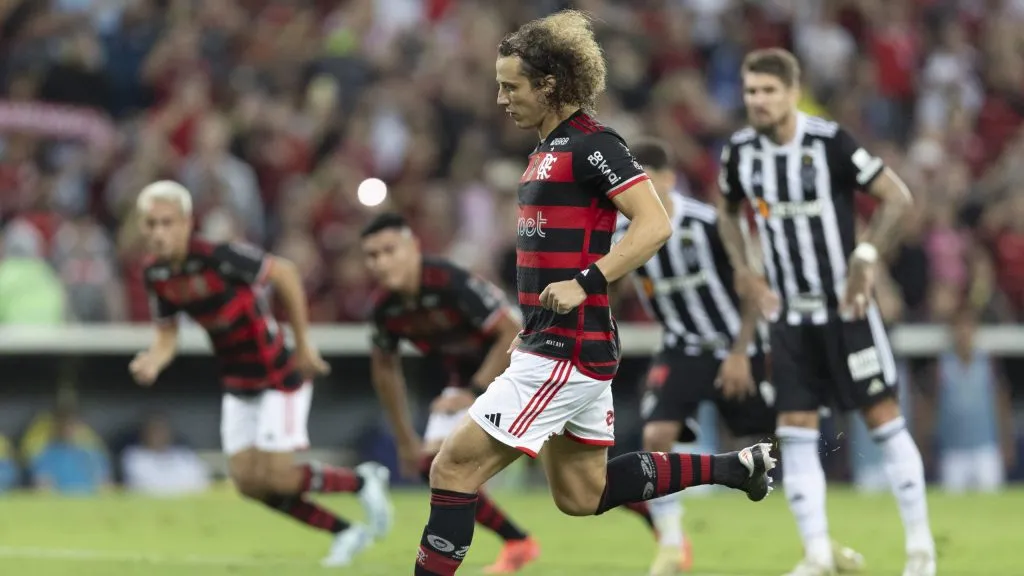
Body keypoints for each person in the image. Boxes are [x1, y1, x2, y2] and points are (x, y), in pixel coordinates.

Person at [414, 12, 776, 576]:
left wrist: (587, 282)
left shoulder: (592, 143)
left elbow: (654, 222)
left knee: (451, 470)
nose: (501, 98)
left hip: (563, 349)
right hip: (562, 346)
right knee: (582, 494)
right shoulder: (545, 147)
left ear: (549, 86)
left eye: (512, 86)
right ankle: (736, 468)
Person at [715, 49, 935, 576]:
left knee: (883, 419)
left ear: (792, 93)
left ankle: (921, 553)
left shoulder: (828, 142)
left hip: (846, 310)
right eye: (751, 91)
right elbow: (726, 211)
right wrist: (745, 269)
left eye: (769, 91)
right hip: (789, 316)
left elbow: (897, 197)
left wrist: (866, 256)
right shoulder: (740, 153)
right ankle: (817, 554)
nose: (758, 101)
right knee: (794, 430)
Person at [615, 138, 864, 576]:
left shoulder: (705, 223)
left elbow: (750, 285)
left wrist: (738, 352)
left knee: (785, 442)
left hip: (737, 347)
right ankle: (672, 545)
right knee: (656, 436)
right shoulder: (622, 235)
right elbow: (610, 286)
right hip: (682, 348)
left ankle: (822, 544)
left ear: (670, 180)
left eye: (649, 182)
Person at [128, 180, 392, 567]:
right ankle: (345, 531)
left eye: (166, 223)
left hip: (277, 373)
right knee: (249, 484)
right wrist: (154, 358)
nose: (158, 233)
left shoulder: (217, 256)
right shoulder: (155, 274)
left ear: (186, 222)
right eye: (150, 225)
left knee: (278, 477)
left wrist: (303, 344)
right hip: (237, 381)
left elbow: (284, 274)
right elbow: (167, 333)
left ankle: (361, 481)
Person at [361, 212, 540, 573]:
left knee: (582, 485)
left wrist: (474, 391)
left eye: (389, 250)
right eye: (372, 255)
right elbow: (385, 370)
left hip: (525, 369)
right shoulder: (386, 309)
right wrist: (404, 438)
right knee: (434, 464)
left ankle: (665, 529)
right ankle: (518, 541)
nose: (381, 262)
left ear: (413, 247)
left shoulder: (449, 281)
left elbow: (510, 332)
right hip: (466, 380)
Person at [919, 307, 1015, 493]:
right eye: (959, 327)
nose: (964, 333)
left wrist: (1006, 442)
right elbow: (930, 406)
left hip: (985, 449)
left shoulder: (988, 362)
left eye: (968, 327)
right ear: (952, 331)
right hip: (953, 451)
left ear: (975, 330)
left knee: (991, 505)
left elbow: (1001, 404)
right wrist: (926, 444)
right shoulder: (941, 365)